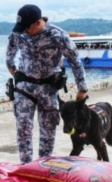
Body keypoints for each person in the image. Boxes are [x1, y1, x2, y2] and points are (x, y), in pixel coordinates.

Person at [5, 4, 88, 164]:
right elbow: (10, 54)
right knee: (23, 129)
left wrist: (82, 88)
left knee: (48, 131)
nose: (23, 31)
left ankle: (43, 165)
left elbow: (75, 61)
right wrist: (13, 69)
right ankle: (26, 166)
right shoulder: (18, 33)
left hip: (49, 89)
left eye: (26, 27)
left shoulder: (57, 35)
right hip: (24, 88)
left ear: (38, 22)